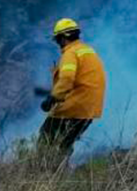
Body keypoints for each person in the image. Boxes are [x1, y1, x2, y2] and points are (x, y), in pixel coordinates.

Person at [37, 18, 106, 164]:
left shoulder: (70, 53)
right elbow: (81, 81)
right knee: (64, 145)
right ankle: (59, 173)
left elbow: (67, 78)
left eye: (57, 39)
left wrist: (53, 98)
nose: (57, 43)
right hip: (90, 110)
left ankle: (41, 173)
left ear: (63, 38)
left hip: (73, 108)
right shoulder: (88, 51)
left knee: (45, 137)